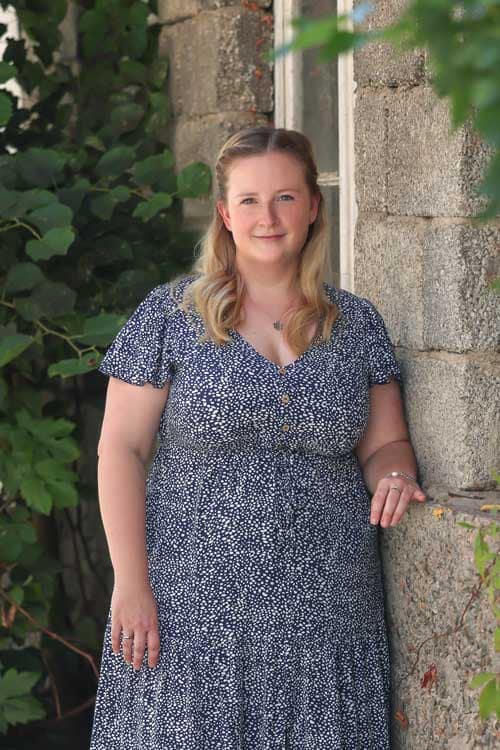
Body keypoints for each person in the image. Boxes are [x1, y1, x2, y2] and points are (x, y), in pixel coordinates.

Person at [89, 125, 426, 749]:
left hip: (327, 612)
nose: (267, 218)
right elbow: (121, 449)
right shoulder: (169, 315)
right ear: (225, 213)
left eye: (285, 198)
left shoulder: (357, 323)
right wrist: (129, 581)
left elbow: (386, 444)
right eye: (249, 200)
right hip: (191, 607)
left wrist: (395, 475)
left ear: (313, 206)